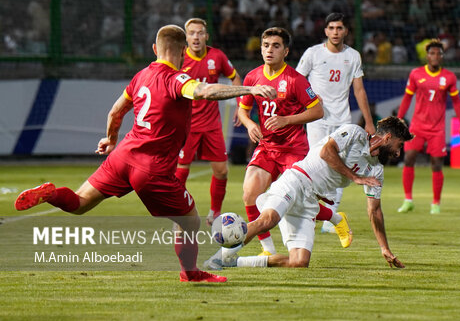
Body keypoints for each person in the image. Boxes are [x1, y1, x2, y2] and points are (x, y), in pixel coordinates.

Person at [14, 25, 277, 283]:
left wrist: (110, 138)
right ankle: (191, 273)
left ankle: (51, 193)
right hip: (152, 168)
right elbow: (205, 91)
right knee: (190, 222)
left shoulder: (141, 76)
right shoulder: (177, 79)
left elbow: (116, 112)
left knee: (80, 203)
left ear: (155, 49)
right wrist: (249, 89)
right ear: (184, 51)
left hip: (122, 156)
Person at [205, 117, 412, 269]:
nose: (398, 153)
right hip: (296, 180)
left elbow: (374, 211)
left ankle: (234, 262)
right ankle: (217, 257)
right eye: (399, 145)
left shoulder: (376, 171)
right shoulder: (355, 133)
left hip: (309, 202)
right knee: (267, 220)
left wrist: (384, 248)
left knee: (299, 262)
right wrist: (354, 177)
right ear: (387, 137)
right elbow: (326, 152)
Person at [237, 27, 324, 256]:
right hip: (267, 147)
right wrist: (249, 124)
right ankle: (267, 250)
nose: (269, 50)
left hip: (294, 149)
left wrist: (287, 120)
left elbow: (318, 111)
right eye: (266, 45)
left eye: (276, 46)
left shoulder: (295, 80)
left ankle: (335, 218)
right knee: (249, 194)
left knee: (299, 203)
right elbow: (242, 110)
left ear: (285, 51)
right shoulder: (253, 77)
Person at [296, 12, 376, 236]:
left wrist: (368, 122)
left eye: (339, 28)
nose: (335, 32)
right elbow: (297, 80)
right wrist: (311, 96)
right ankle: (310, 212)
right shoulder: (313, 53)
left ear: (346, 31)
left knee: (341, 169)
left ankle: (331, 218)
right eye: (331, 28)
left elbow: (359, 89)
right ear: (325, 31)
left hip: (343, 120)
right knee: (315, 164)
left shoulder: (353, 56)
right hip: (317, 118)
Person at [175, 18, 242, 226]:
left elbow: (235, 77)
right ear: (186, 37)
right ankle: (178, 214)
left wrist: (240, 105)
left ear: (206, 36)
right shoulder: (178, 58)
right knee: (180, 172)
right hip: (186, 125)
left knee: (222, 171)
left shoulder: (217, 56)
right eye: (192, 33)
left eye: (200, 32)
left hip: (212, 124)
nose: (196, 37)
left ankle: (214, 213)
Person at [396, 39, 460, 214]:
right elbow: (407, 98)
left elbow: (456, 102)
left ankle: (435, 203)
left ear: (442, 56)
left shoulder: (449, 77)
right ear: (427, 56)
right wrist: (398, 119)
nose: (435, 56)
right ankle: (408, 200)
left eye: (439, 53)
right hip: (417, 126)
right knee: (409, 158)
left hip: (437, 129)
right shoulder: (416, 74)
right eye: (432, 53)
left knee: (436, 164)